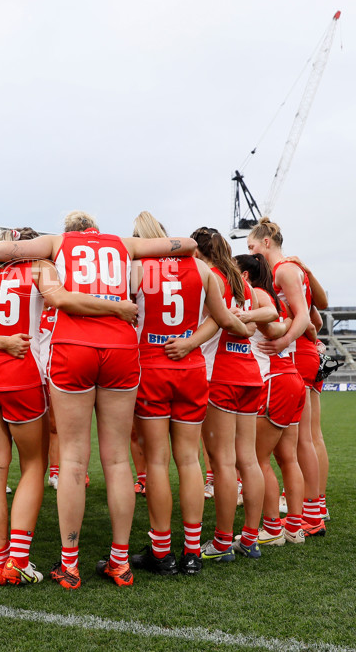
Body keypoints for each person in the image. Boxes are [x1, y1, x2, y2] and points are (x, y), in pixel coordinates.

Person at [0, 225, 138, 586]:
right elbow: (64, 300)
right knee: (34, 465)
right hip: (21, 373)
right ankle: (19, 558)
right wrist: (117, 309)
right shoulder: (41, 268)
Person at [0, 211, 197, 589]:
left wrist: (42, 260)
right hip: (120, 347)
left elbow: (0, 249)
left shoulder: (58, 242)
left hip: (73, 345)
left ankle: (70, 565)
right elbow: (185, 244)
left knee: (71, 458)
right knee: (118, 459)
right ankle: (120, 561)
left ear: (72, 232)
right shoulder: (123, 244)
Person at [129, 212, 253, 576]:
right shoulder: (199, 270)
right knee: (189, 460)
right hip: (192, 369)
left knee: (156, 462)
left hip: (151, 365)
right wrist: (191, 342)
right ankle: (193, 552)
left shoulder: (136, 270)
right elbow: (221, 317)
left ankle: (161, 551)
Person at [193, 227, 272, 562]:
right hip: (250, 374)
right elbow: (266, 315)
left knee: (223, 463)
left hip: (219, 375)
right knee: (248, 459)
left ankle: (223, 542)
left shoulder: (208, 278)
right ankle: (249, 539)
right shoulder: (242, 283)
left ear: (198, 252)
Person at [247, 218, 327, 537]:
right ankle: (313, 509)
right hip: (302, 352)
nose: (251, 253)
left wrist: (283, 340)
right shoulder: (292, 268)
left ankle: (312, 513)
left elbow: (307, 317)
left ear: (267, 242)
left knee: (303, 440)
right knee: (305, 440)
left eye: (252, 246)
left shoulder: (282, 270)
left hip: (296, 357)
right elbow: (315, 317)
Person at [234, 253, 306, 546]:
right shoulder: (278, 300)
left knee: (257, 460)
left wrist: (277, 328)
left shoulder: (257, 296)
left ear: (246, 275)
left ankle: (273, 528)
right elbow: (309, 325)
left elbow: (272, 326)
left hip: (273, 380)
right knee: (287, 458)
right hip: (291, 377)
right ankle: (295, 527)